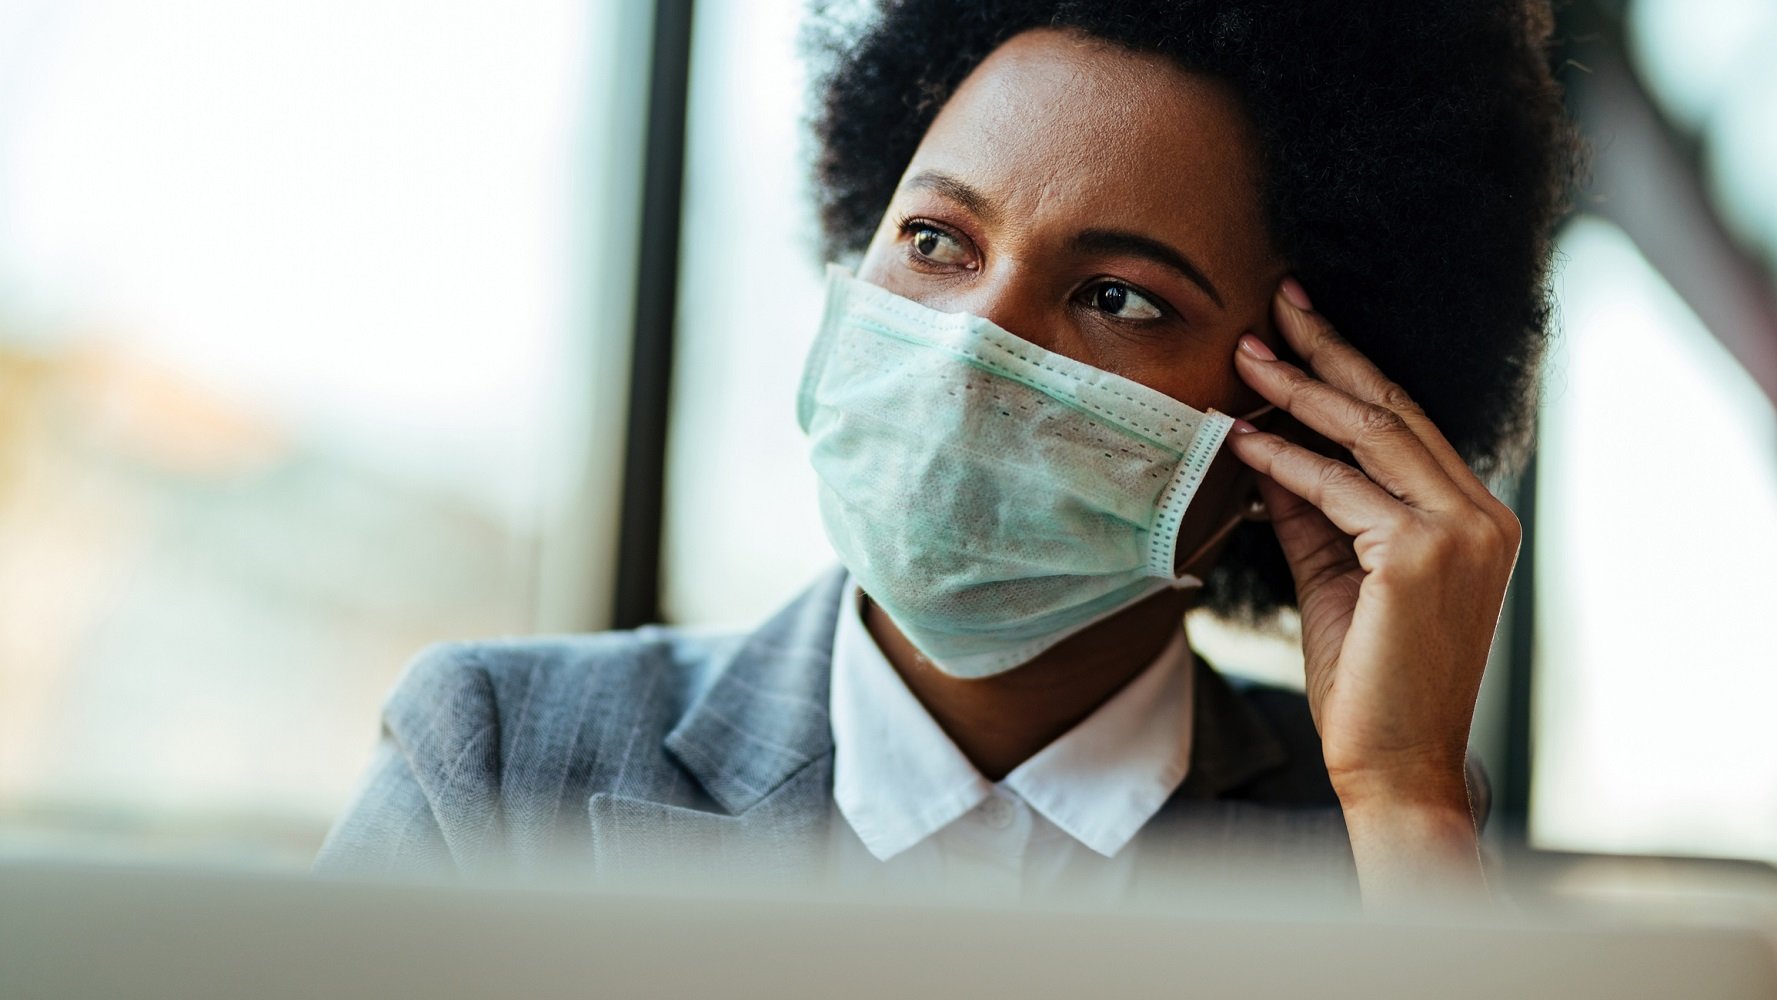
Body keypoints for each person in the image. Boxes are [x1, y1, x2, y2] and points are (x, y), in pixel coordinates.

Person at [315, 0, 1580, 905]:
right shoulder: (497, 758)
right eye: (935, 242)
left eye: (1120, 297)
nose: (970, 348)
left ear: (1294, 418)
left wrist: (1407, 801)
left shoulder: (1375, 847)